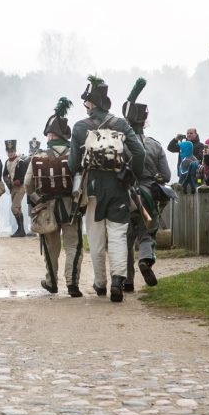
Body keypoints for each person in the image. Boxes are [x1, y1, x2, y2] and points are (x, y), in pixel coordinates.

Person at [69, 76, 144, 302]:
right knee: (119, 235)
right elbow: (139, 152)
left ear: (90, 104)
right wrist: (132, 176)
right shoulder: (120, 124)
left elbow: (73, 164)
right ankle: (118, 280)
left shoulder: (80, 127)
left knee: (96, 237)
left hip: (92, 188)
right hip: (119, 186)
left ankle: (100, 283)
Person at [25, 97, 83, 297]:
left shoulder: (38, 156)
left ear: (51, 134)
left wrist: (37, 201)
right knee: (73, 245)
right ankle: (72, 284)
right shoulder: (74, 154)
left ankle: (52, 282)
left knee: (51, 247)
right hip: (70, 205)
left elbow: (27, 184)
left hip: (47, 206)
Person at [121, 91, 170, 292]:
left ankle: (128, 281)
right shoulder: (155, 145)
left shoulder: (120, 144)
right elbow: (166, 175)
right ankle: (145, 259)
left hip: (124, 194)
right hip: (148, 194)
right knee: (146, 235)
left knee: (125, 239)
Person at [3, 139, 30, 237]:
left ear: (15, 151)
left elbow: (24, 176)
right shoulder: (7, 162)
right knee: (18, 208)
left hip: (20, 187)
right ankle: (21, 230)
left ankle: (21, 229)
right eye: (8, 151)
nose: (10, 153)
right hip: (12, 188)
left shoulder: (20, 162)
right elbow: (5, 174)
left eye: (11, 151)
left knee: (14, 207)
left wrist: (17, 181)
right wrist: (7, 181)